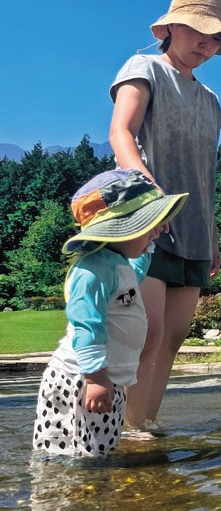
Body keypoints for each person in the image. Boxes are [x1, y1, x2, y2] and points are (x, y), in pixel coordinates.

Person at [108, 0, 221, 430]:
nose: (207, 43)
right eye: (200, 31)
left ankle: (144, 424)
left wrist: (213, 234)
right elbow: (121, 134)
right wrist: (148, 192)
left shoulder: (211, 102)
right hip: (145, 218)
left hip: (196, 227)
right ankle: (125, 429)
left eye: (216, 37)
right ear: (170, 28)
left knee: (175, 337)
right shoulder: (143, 68)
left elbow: (206, 176)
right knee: (147, 332)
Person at [32, 169, 187, 457]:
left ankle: (96, 498)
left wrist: (150, 239)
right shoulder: (91, 271)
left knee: (101, 452)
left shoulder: (118, 265)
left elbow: (137, 270)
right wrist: (95, 378)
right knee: (70, 455)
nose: (156, 231)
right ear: (120, 228)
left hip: (107, 381)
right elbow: (87, 326)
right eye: (148, 224)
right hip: (79, 381)